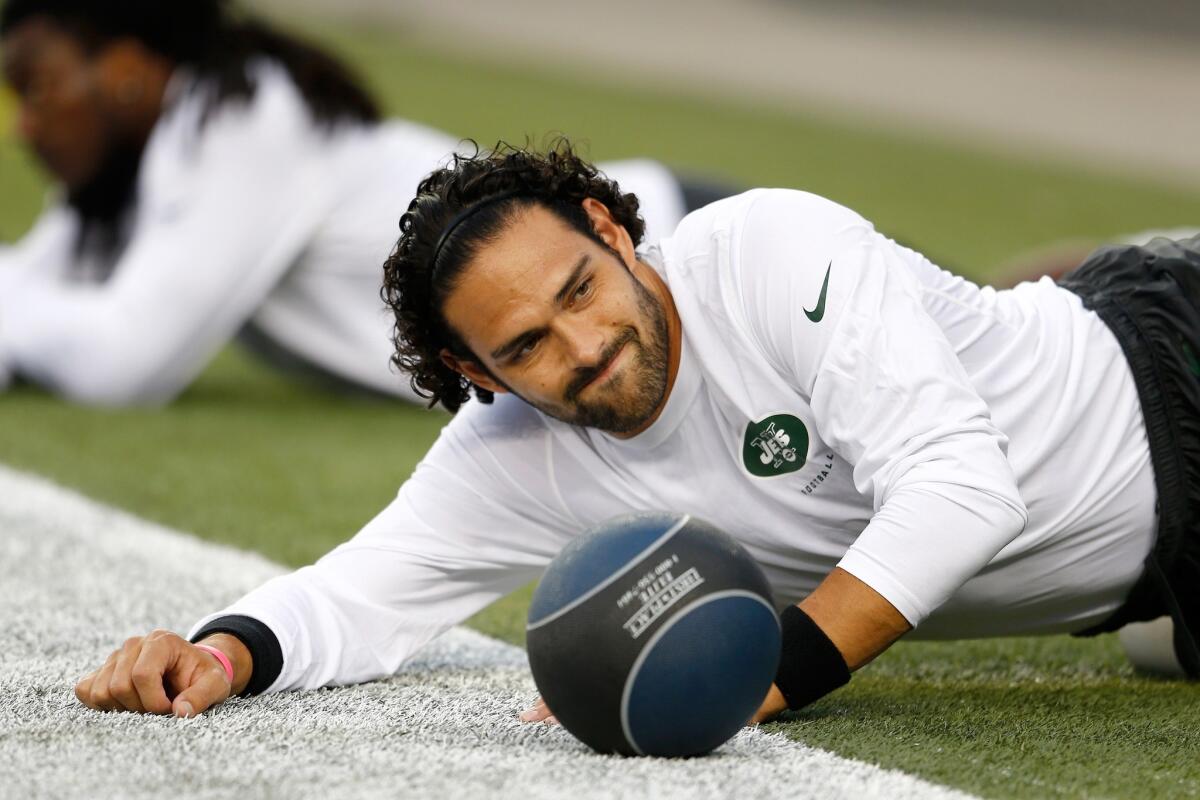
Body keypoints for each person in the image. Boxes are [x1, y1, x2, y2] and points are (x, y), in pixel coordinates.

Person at [73, 142, 1199, 724]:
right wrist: (214, 653)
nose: (580, 342)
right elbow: (353, 595)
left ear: (612, 229)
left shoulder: (768, 250)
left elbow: (963, 490)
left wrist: (766, 675)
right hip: (1138, 570)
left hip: (1171, 367)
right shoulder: (516, 450)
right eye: (523, 345)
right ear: (477, 372)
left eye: (579, 286)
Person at [0, 0, 708, 404]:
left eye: (36, 86)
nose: (25, 124)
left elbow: (122, 362)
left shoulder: (235, 123)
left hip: (674, 243)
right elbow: (30, 278)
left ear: (125, 69)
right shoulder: (158, 150)